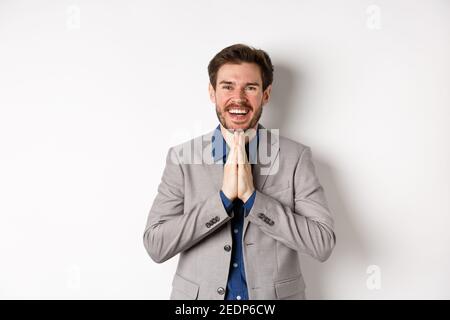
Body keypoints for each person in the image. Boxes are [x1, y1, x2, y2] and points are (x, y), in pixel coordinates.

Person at [143, 44, 336, 300]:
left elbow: (322, 243)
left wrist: (254, 199)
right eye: (227, 86)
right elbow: (156, 245)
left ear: (266, 95)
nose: (239, 98)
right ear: (212, 92)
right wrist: (222, 200)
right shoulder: (182, 159)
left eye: (251, 87)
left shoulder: (295, 157)